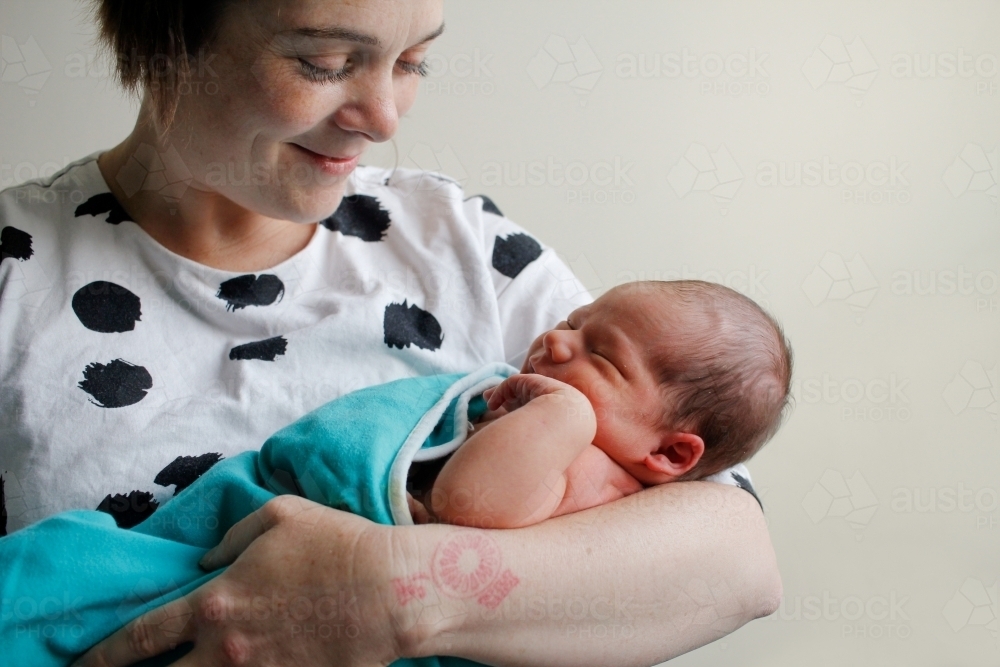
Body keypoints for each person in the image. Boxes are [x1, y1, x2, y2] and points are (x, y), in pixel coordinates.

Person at [0, 1, 781, 665]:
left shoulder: (460, 243)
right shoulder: (16, 274)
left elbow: (734, 560)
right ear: (164, 31)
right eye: (325, 61)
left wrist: (389, 589)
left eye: (414, 62)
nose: (382, 117)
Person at [420, 280, 792, 528]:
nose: (555, 339)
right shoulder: (516, 398)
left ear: (671, 452)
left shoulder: (599, 481)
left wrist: (565, 414)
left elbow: (462, 506)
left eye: (603, 356)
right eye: (571, 323)